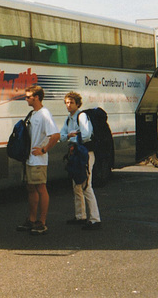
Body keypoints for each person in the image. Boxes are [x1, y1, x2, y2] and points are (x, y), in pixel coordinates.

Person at [16, 85, 60, 236]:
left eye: (28, 97)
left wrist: (43, 149)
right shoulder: (34, 113)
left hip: (38, 159)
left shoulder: (44, 114)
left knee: (41, 188)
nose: (26, 99)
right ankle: (32, 219)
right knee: (31, 188)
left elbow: (55, 135)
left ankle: (42, 222)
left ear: (36, 97)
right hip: (30, 159)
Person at [59, 92, 101, 230]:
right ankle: (80, 216)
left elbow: (87, 134)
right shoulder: (68, 118)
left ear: (77, 103)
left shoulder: (81, 116)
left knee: (86, 186)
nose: (68, 105)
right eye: (66, 102)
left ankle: (95, 219)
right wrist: (69, 135)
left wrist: (73, 136)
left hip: (85, 153)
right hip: (75, 153)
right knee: (76, 185)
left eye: (71, 102)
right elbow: (61, 136)